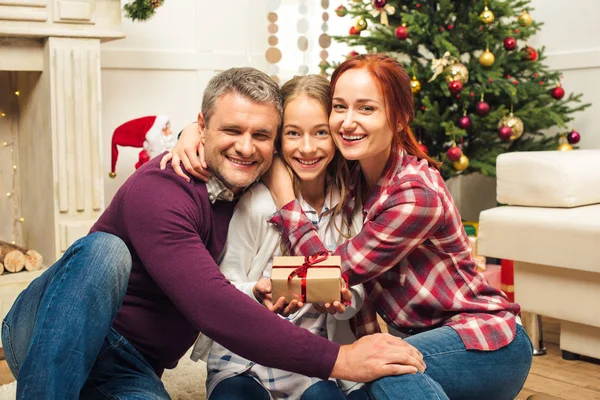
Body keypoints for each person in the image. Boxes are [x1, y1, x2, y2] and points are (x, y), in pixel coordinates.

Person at [1, 67, 423, 400]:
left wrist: (261, 291)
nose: (245, 146)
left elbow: (301, 123)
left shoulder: (253, 188)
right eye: (231, 131)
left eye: (261, 135)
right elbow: (211, 305)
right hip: (43, 331)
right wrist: (341, 360)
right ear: (202, 127)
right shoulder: (161, 188)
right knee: (104, 251)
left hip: (131, 364)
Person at [170, 56, 533, 400]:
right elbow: (267, 130)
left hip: (484, 341)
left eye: (367, 108)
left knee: (380, 370)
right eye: (340, 108)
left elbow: (329, 272)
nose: (347, 121)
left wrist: (284, 196)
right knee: (371, 371)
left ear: (401, 116)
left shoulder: (415, 194)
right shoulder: (353, 176)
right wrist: (193, 133)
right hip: (422, 340)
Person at [202, 75, 368, 400]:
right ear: (279, 139)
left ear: (336, 135)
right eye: (293, 133)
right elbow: (223, 284)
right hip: (244, 356)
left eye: (321, 132)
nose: (307, 148)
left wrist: (342, 301)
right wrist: (256, 291)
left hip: (314, 358)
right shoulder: (259, 204)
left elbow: (357, 289)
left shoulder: (350, 206)